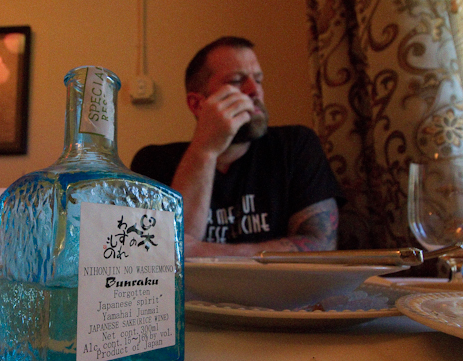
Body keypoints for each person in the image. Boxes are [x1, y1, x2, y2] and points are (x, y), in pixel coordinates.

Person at [131, 36, 344, 257]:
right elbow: (161, 256)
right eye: (236, 81)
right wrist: (205, 150)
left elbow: (321, 246)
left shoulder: (295, 145)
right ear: (197, 104)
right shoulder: (153, 162)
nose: (254, 90)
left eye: (258, 80)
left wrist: (200, 253)